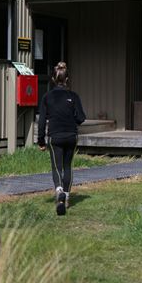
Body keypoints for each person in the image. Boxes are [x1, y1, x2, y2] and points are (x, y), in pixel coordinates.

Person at [36, 62, 85, 215]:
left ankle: (59, 191)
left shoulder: (47, 97)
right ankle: (67, 197)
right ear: (67, 79)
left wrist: (41, 141)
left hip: (55, 136)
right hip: (71, 135)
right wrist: (73, 119)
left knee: (57, 166)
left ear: (52, 79)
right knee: (68, 166)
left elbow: (42, 121)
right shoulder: (73, 96)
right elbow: (81, 118)